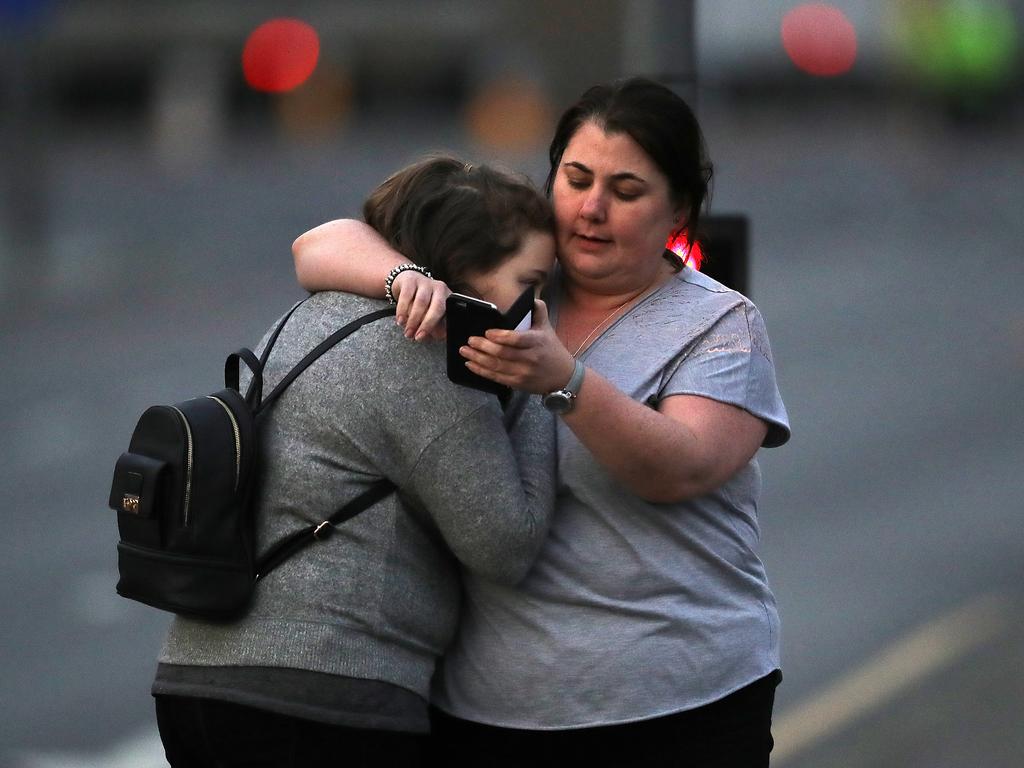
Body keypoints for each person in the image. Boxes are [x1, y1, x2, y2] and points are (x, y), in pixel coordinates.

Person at [292, 77, 792, 767]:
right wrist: (402, 276)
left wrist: (565, 381)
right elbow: (320, 244)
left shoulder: (720, 324)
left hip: (681, 705)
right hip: (486, 712)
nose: (592, 208)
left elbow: (684, 467)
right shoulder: (508, 275)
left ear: (678, 208)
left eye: (626, 190)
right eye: (576, 178)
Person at [151, 155, 558, 768]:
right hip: (321, 700)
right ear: (467, 276)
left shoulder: (310, 315)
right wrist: (540, 385)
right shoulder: (424, 360)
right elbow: (506, 545)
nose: (538, 306)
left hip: (197, 678)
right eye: (531, 282)